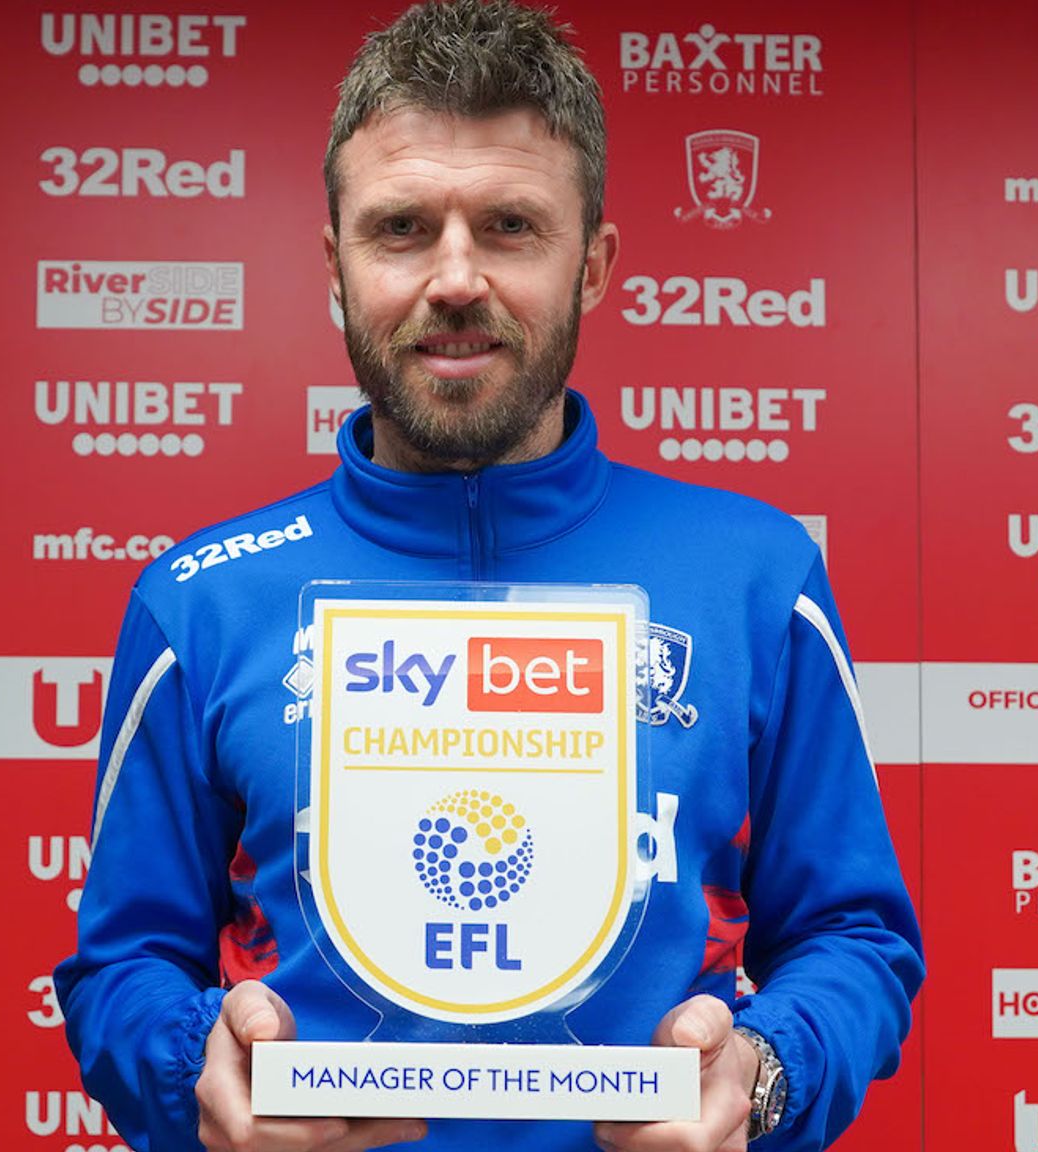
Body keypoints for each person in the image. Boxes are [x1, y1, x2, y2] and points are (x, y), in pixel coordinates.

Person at [53, 3, 924, 1150]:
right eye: (402, 227)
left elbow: (854, 939)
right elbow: (121, 965)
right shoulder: (200, 600)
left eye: (510, 226)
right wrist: (193, 1078)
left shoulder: (755, 576)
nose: (454, 278)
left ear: (594, 263)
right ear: (335, 264)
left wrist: (761, 1075)